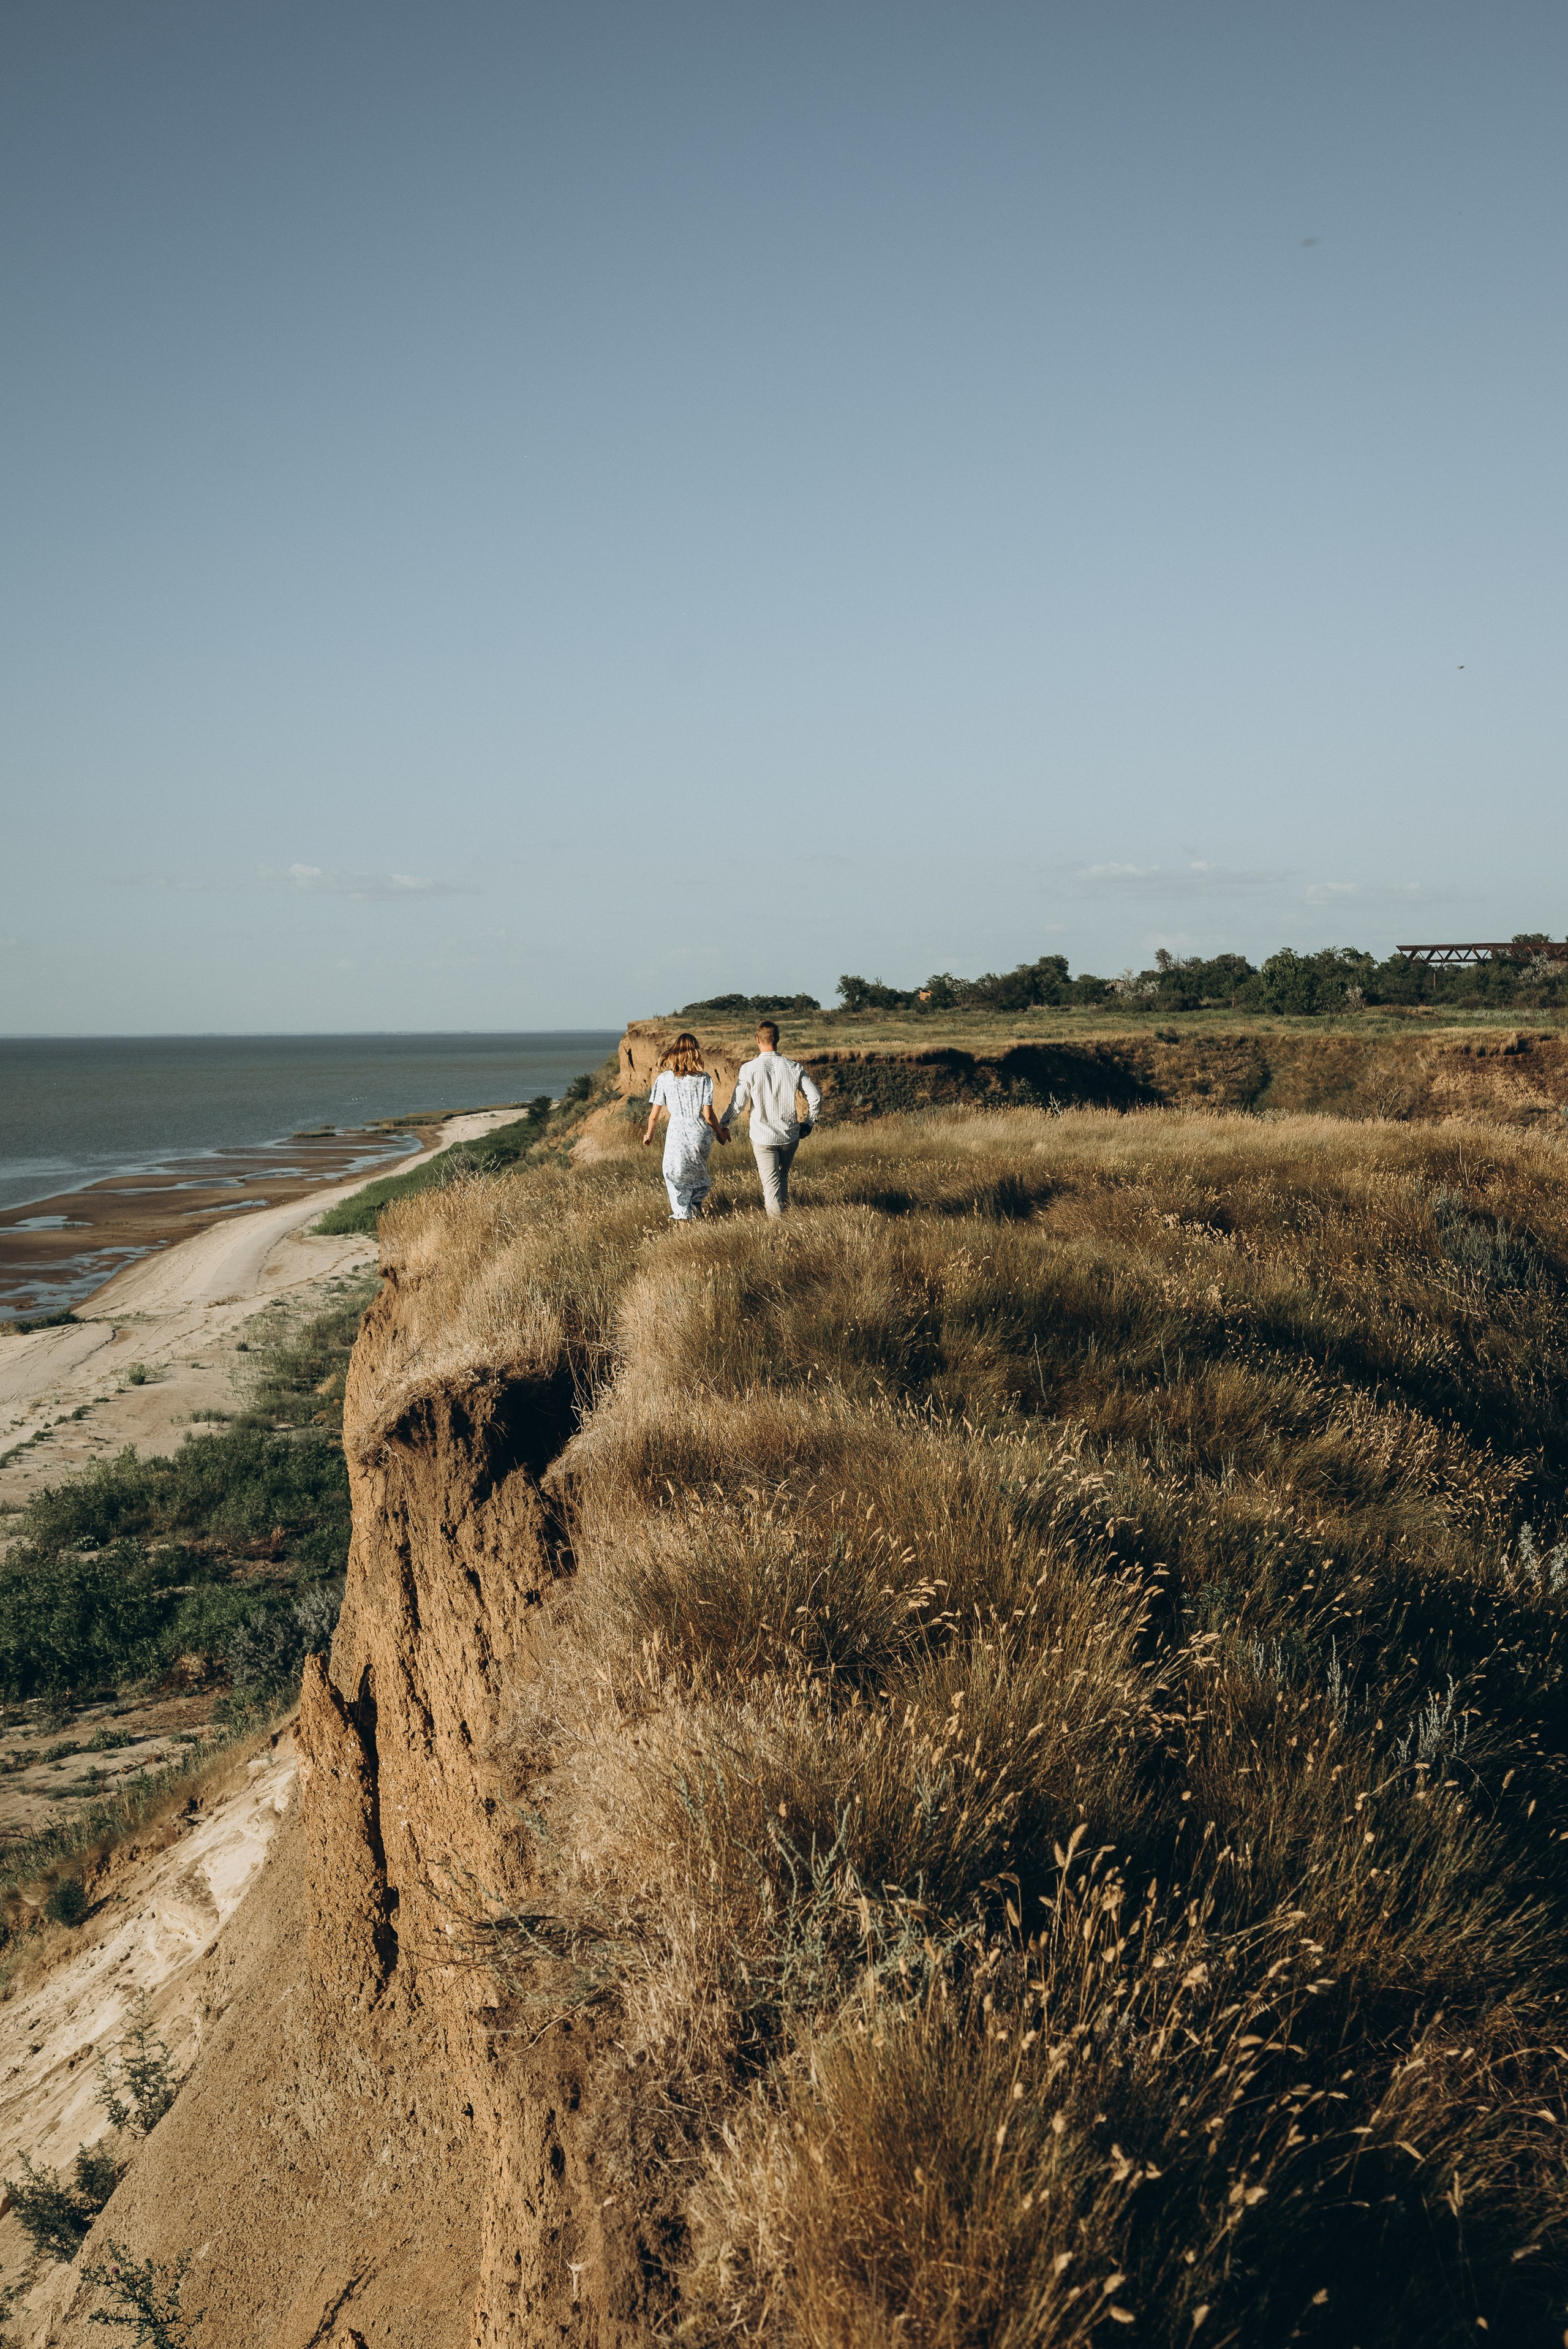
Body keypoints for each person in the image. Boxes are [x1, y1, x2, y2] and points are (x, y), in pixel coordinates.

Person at [721, 1020, 822, 1217]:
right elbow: (816, 1096)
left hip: (763, 1136)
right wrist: (809, 1123)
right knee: (782, 1178)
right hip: (790, 1134)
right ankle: (786, 1219)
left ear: (758, 1040)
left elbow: (738, 1104)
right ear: (778, 1039)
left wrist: (723, 1124)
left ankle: (777, 1228)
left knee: (770, 1183)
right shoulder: (793, 1067)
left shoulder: (749, 1068)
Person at [642, 1031, 729, 1220]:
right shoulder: (704, 1078)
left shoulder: (664, 1079)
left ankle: (683, 1222)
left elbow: (654, 1116)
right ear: (695, 1052)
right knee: (697, 1174)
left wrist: (649, 1135)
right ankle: (698, 1211)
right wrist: (720, 1133)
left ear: (675, 1052)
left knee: (675, 1175)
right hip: (700, 1133)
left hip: (678, 1132)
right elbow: (708, 1115)